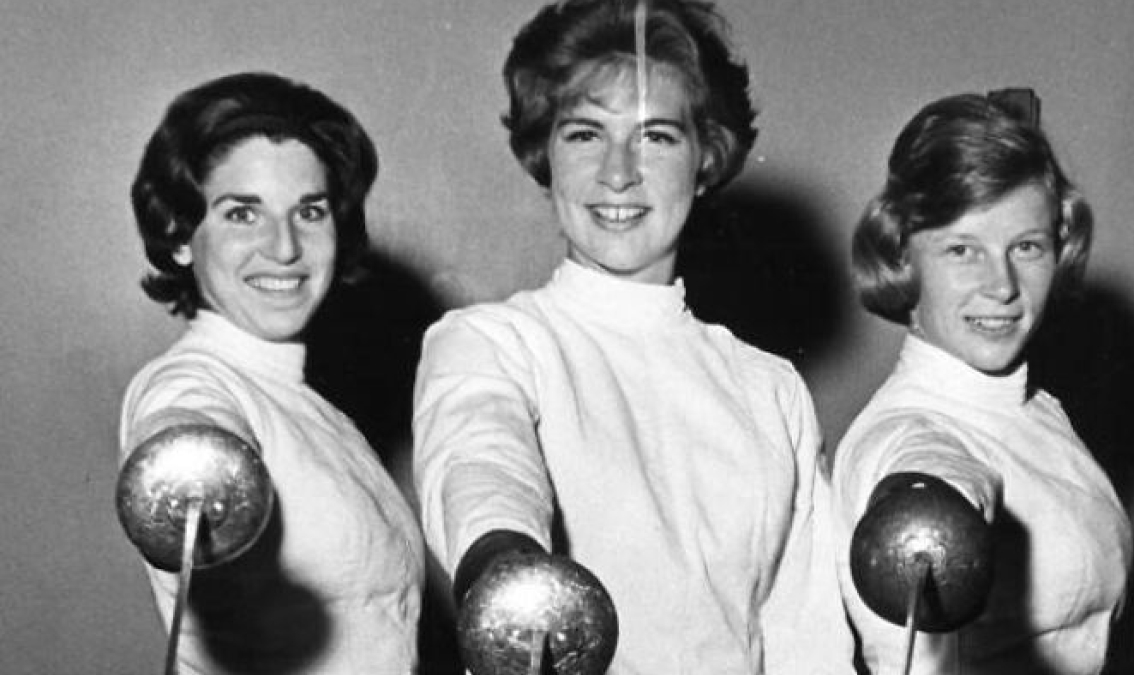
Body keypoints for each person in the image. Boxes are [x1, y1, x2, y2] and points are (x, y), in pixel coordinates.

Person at [412, 1, 854, 673]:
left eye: (656, 137)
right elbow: (482, 463)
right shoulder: (491, 343)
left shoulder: (769, 385)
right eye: (585, 134)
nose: (618, 173)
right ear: (546, 153)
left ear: (706, 158)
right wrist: (503, 559)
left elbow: (805, 637)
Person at [119, 71, 424, 674]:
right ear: (181, 236)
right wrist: (181, 441)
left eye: (309, 211)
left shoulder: (307, 404)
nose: (284, 247)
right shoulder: (195, 381)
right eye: (242, 214)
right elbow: (185, 419)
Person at [831, 92, 1132, 674]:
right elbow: (923, 464)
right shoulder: (901, 430)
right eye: (962, 249)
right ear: (902, 256)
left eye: (1026, 246)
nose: (1002, 285)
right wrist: (929, 495)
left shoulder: (1037, 407)